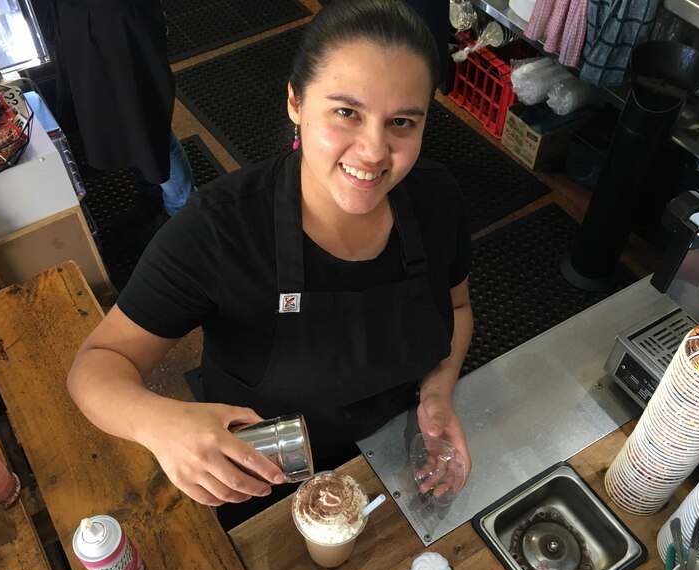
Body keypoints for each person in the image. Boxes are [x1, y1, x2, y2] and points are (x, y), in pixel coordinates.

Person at [67, 0, 473, 529]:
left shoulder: (437, 199)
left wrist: (437, 393)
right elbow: (95, 366)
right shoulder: (220, 229)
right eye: (346, 112)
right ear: (295, 103)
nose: (374, 150)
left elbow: (458, 308)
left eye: (401, 122)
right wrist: (161, 425)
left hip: (395, 463)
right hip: (262, 485)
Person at [52, 0, 194, 221]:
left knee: (149, 129)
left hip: (117, 22)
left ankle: (183, 215)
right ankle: (152, 196)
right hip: (86, 22)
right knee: (127, 125)